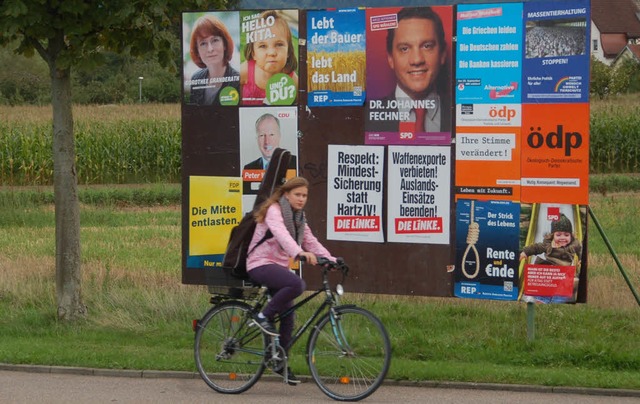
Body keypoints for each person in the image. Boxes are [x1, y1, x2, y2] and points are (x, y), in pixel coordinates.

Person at [246, 176, 336, 385]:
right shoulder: (274, 211)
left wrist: (331, 260)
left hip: (277, 267)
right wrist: (299, 253)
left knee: (288, 316)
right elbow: (281, 235)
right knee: (297, 284)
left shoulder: (299, 217)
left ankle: (277, 361)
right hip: (260, 264)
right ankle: (262, 317)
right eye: (297, 194)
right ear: (286, 194)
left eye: (304, 195)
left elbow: (310, 240)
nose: (301, 199)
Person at [367, 7, 451, 134]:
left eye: (427, 46)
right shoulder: (366, 118)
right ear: (390, 58)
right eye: (404, 48)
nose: (417, 60)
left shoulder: (459, 114)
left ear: (443, 54)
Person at [240, 10, 299, 105]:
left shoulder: (293, 81)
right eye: (263, 46)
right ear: (253, 53)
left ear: (288, 51)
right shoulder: (244, 71)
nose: (271, 53)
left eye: (279, 44)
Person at [187, 14, 240, 106]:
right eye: (203, 43)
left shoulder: (239, 81)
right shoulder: (196, 79)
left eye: (215, 40)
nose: (210, 49)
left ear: (225, 44)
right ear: (197, 51)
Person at [243, 113, 297, 194]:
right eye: (262, 135)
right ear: (257, 139)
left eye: (271, 134)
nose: (267, 141)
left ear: (279, 136)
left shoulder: (295, 163)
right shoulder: (248, 169)